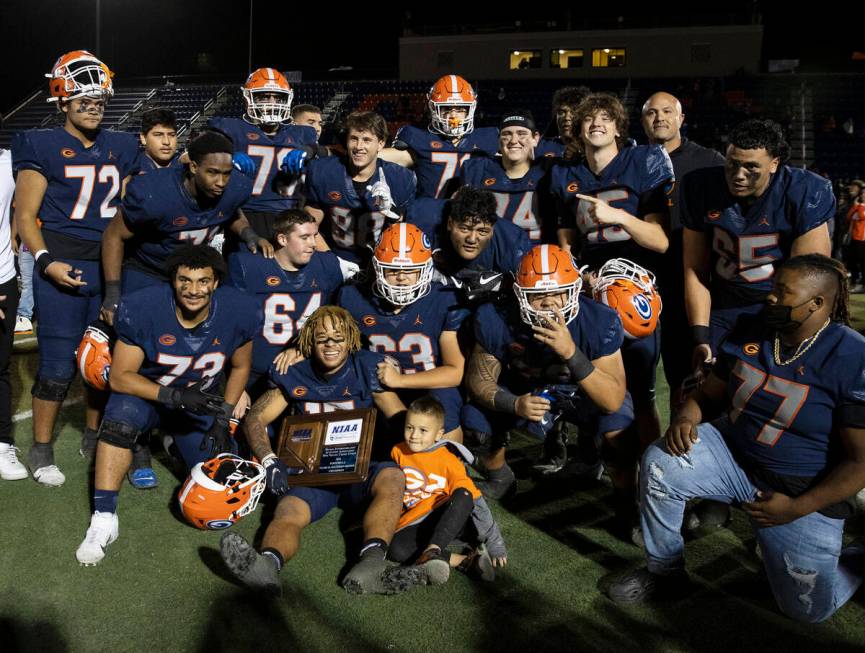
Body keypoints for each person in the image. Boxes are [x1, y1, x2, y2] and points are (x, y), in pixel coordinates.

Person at [607, 255, 865, 624]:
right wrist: (686, 416)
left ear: (817, 303)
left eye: (782, 292)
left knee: (808, 610)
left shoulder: (852, 356)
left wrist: (797, 508)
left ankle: (857, 557)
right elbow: (710, 394)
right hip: (734, 455)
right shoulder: (752, 328)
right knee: (662, 462)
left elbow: (861, 463)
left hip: (798, 489)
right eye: (773, 288)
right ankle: (664, 572)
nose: (770, 298)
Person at [75, 245, 260, 565]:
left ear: (216, 283)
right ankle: (104, 518)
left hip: (200, 398)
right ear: (172, 281)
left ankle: (173, 444)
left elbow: (241, 366)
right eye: (184, 280)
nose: (193, 290)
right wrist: (174, 396)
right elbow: (120, 378)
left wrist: (223, 416)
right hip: (148, 395)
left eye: (203, 281)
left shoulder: (239, 310)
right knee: (120, 419)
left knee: (215, 484)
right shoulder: (143, 307)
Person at [12, 50, 140, 486]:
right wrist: (45, 262)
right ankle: (41, 446)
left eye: (98, 102)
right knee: (55, 365)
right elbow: (26, 215)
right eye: (83, 101)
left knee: (100, 362)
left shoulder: (121, 145)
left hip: (107, 266)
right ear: (62, 102)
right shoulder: (40, 144)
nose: (93, 108)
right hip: (60, 265)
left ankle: (92, 430)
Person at [218, 306, 408, 595]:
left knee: (393, 477)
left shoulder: (366, 366)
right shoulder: (293, 371)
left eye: (338, 337)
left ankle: (371, 564)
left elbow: (399, 419)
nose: (331, 344)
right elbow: (256, 417)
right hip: (312, 469)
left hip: (358, 467)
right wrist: (269, 461)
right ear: (309, 341)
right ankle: (267, 566)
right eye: (322, 339)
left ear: (351, 339)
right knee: (288, 510)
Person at [462, 245, 636, 542]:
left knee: (619, 437)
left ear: (575, 290)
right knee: (476, 424)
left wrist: (571, 352)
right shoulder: (496, 317)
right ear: (519, 294)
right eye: (538, 295)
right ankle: (500, 476)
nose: (550, 304)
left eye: (559, 293)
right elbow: (478, 382)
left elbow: (611, 399)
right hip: (527, 391)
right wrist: (514, 404)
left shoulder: (598, 320)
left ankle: (628, 504)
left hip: (582, 393)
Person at [551, 92, 674, 465]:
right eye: (589, 119)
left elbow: (661, 241)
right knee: (594, 386)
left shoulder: (643, 161)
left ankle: (653, 471)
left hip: (634, 293)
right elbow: (567, 242)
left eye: (606, 118)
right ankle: (597, 459)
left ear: (619, 127)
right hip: (591, 293)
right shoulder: (566, 176)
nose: (597, 124)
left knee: (641, 392)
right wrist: (581, 274)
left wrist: (618, 216)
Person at [681, 119, 834, 379]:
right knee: (700, 388)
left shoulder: (805, 191)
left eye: (751, 167)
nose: (739, 175)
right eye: (732, 164)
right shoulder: (700, 186)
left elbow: (808, 283)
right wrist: (701, 336)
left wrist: (776, 330)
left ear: (774, 163)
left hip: (780, 306)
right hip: (723, 304)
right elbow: (695, 269)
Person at [100, 130, 267, 309]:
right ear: (194, 167)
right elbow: (113, 236)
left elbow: (229, 211)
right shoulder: (155, 194)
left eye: (227, 173)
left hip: (192, 273)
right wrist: (112, 292)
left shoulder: (236, 186)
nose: (221, 182)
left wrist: (249, 233)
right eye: (213, 172)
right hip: (149, 269)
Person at [338, 223, 468, 442]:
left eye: (410, 270)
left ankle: (447, 466)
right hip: (381, 391)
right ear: (378, 268)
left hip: (430, 385)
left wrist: (399, 380)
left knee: (444, 401)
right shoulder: (352, 297)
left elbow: (454, 372)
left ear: (425, 269)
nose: (401, 277)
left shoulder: (444, 298)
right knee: (367, 369)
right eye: (392, 270)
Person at [640, 91, 724, 406]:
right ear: (642, 121)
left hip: (686, 280)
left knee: (685, 373)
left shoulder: (709, 162)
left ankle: (685, 444)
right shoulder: (631, 161)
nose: (659, 118)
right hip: (640, 280)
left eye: (666, 111)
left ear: (681, 119)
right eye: (651, 112)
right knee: (635, 376)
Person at [225, 209, 354, 400]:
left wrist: (304, 347)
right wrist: (235, 383)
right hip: (252, 371)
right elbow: (227, 327)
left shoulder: (328, 265)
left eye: (314, 236)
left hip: (304, 368)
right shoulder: (248, 267)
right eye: (304, 237)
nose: (312, 244)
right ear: (282, 239)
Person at [384, 396, 507, 587]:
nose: (414, 435)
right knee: (394, 550)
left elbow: (476, 501)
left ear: (438, 434)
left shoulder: (448, 460)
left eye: (423, 430)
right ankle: (464, 560)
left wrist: (496, 544)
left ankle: (433, 550)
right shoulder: (397, 452)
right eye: (410, 427)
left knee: (464, 493)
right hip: (419, 521)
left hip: (452, 517)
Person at [207, 68, 319, 240]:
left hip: (291, 217)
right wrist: (227, 159)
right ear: (247, 98)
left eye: (278, 97)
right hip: (244, 214)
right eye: (264, 96)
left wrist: (311, 150)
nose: (271, 103)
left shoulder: (302, 134)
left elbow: (332, 156)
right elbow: (191, 159)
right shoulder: (231, 129)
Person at [303, 111, 416, 264]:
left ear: (381, 143)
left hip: (383, 261)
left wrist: (392, 212)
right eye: (354, 139)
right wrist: (334, 263)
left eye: (367, 140)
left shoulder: (400, 178)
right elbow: (308, 227)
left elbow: (405, 235)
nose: (359, 146)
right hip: (334, 255)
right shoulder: (323, 172)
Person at [379, 75, 499, 199]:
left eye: (460, 109)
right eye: (446, 109)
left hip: (472, 214)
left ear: (471, 109)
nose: (453, 116)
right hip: (429, 212)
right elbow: (386, 158)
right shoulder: (419, 138)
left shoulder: (489, 137)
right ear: (433, 109)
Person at [459, 111, 557, 246]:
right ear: (499, 141)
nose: (513, 140)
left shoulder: (550, 170)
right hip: (489, 252)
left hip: (536, 255)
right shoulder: (479, 170)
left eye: (522, 134)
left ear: (535, 139)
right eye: (507, 134)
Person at [408, 186, 530, 282]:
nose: (472, 239)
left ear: (492, 229)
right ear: (450, 223)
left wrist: (500, 285)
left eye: (482, 231)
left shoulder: (512, 243)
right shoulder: (421, 219)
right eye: (465, 229)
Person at [0, 147, 23, 480]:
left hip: (3, 278)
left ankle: (2, 444)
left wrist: (16, 232)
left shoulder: (12, 159)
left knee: (1, 368)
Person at [536, 85, 590, 158]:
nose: (567, 118)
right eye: (561, 112)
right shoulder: (540, 145)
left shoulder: (593, 147)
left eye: (573, 112)